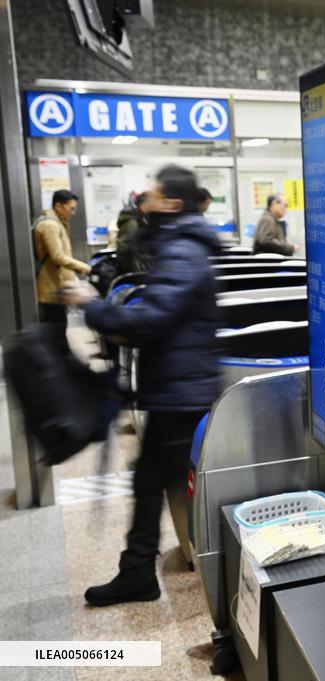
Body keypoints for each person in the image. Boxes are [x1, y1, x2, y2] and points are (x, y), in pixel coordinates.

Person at [62, 165, 222, 606]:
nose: (142, 200)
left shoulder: (184, 251)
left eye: (150, 194)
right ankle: (139, 572)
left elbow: (152, 318)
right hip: (178, 385)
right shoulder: (176, 245)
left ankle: (143, 574)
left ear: (172, 203)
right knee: (154, 482)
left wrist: (94, 308)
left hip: (183, 390)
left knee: (158, 482)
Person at [33, 189, 91, 350]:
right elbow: (58, 256)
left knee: (57, 329)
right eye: (70, 208)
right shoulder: (49, 225)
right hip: (50, 286)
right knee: (55, 329)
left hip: (57, 284)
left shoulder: (57, 223)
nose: (73, 213)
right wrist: (84, 268)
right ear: (58, 206)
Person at [116, 192, 152, 274]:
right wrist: (131, 271)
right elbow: (124, 249)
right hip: (137, 271)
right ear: (143, 205)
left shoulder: (143, 220)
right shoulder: (132, 223)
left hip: (143, 268)